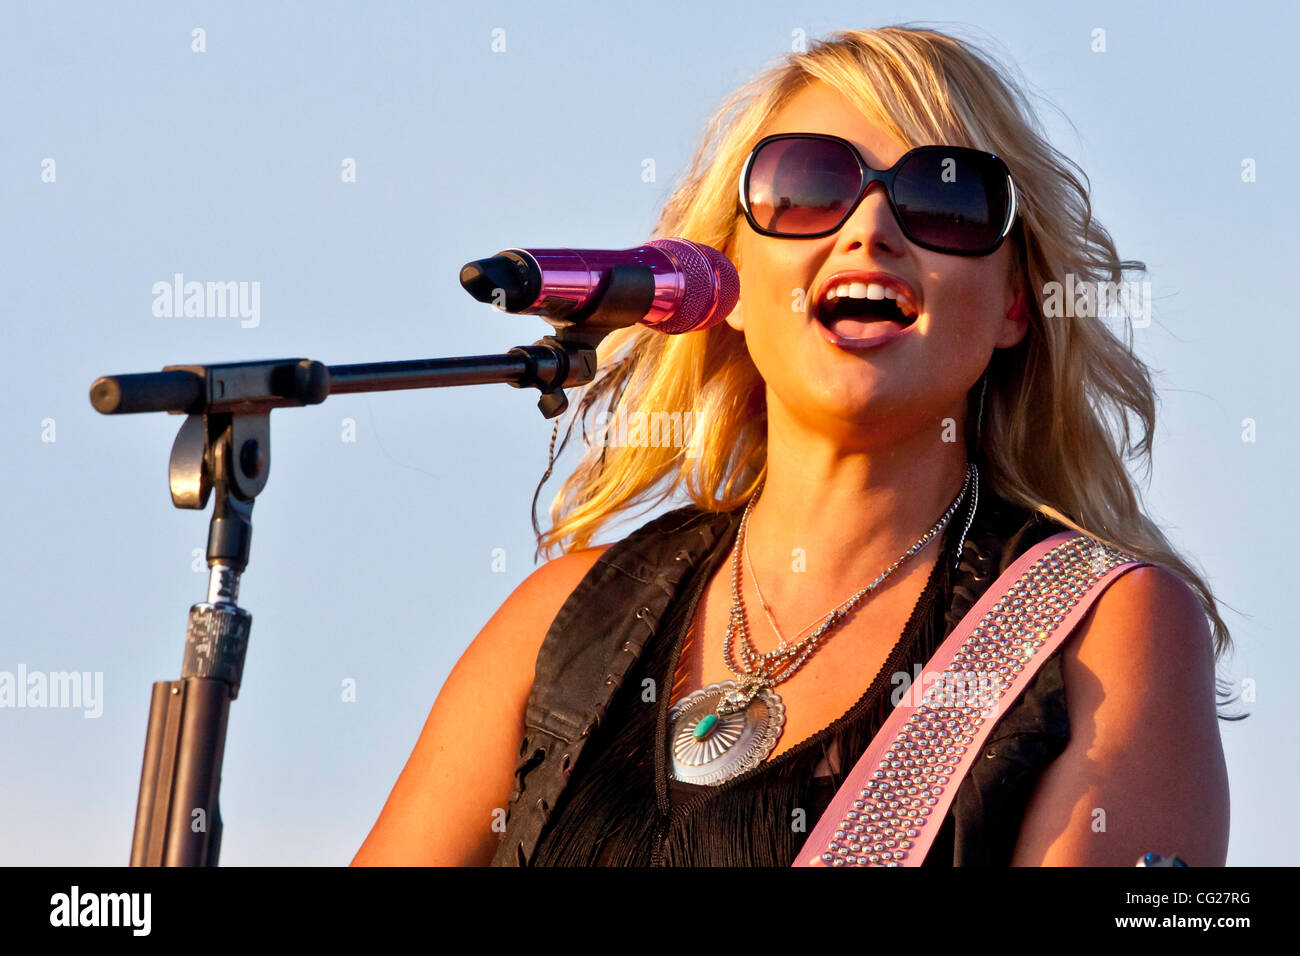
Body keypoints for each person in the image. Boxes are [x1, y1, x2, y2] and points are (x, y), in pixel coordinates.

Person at [351, 25, 1233, 867]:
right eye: (807, 187)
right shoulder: (562, 619)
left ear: (1013, 304)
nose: (868, 229)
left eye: (947, 196)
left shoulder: (1101, 626)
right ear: (724, 281)